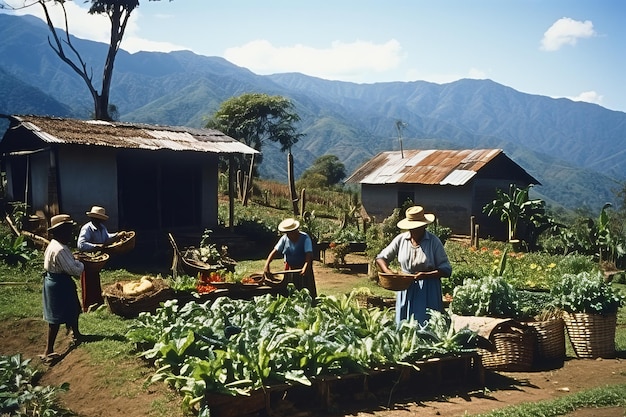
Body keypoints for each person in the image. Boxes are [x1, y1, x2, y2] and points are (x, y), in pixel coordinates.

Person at [375, 206, 452, 326]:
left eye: (417, 228)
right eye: (411, 228)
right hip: (406, 287)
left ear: (424, 226)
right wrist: (387, 271)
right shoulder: (401, 239)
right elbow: (381, 258)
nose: (413, 230)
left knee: (427, 324)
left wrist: (426, 275)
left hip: (428, 289)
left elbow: (446, 270)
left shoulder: (433, 242)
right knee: (405, 324)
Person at [41, 214, 84, 362]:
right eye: (67, 231)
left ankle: (76, 333)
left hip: (55, 281)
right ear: (59, 232)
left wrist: (74, 259)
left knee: (73, 308)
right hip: (59, 284)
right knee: (55, 317)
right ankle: (49, 350)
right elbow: (75, 270)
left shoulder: (55, 245)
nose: (70, 234)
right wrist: (80, 262)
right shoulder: (59, 249)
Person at [264, 218, 317, 300]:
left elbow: (309, 255)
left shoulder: (305, 238)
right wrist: (267, 265)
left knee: (305, 292)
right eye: (287, 233)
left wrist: (305, 267)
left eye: (290, 233)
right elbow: (274, 251)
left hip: (303, 269)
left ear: (296, 230)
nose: (288, 235)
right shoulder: (284, 238)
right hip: (290, 269)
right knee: (290, 291)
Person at [76, 205, 118, 311]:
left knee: (95, 280)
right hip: (87, 259)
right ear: (93, 218)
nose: (100, 221)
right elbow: (81, 245)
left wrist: (117, 235)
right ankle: (87, 305)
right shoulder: (87, 228)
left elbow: (107, 237)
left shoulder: (102, 228)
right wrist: (95, 246)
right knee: (87, 281)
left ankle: (97, 303)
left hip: (96, 259)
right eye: (98, 219)